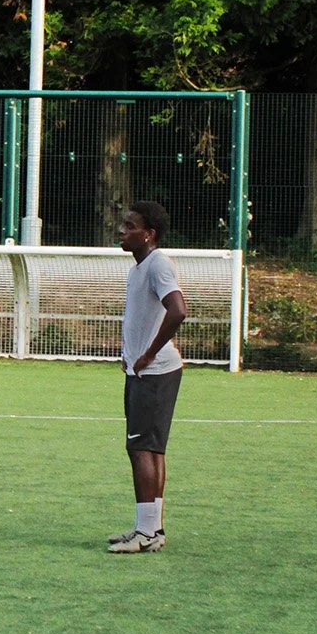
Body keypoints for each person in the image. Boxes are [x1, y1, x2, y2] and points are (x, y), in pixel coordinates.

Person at [109, 200, 188, 554]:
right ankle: (151, 529)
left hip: (152, 373)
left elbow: (178, 310)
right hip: (144, 371)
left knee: (142, 448)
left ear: (149, 234)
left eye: (129, 225)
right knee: (151, 449)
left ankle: (145, 533)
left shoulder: (157, 264)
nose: (121, 231)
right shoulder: (138, 268)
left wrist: (149, 353)